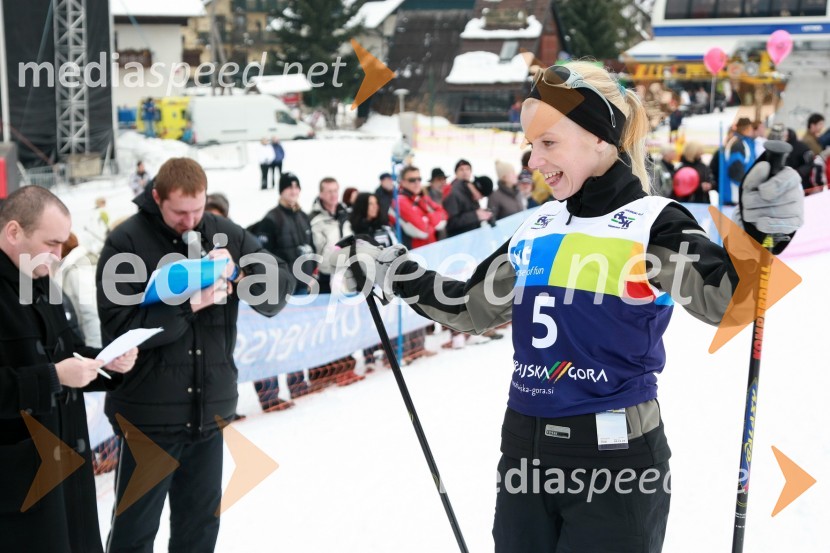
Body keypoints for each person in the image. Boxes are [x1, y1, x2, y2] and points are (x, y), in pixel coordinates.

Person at [330, 60, 804, 552]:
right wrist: (390, 269)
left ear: (600, 138)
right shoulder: (539, 225)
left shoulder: (652, 223)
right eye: (531, 147)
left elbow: (727, 305)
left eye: (548, 143)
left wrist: (760, 236)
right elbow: (471, 306)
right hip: (524, 456)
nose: (534, 161)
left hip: (614, 464)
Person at [96, 157, 294, 553]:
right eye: (179, 213)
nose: (190, 221)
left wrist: (240, 274)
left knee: (199, 530)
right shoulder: (126, 242)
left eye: (197, 210)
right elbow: (119, 328)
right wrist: (188, 306)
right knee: (134, 533)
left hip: (209, 410)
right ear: (156, 198)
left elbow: (279, 293)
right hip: (149, 415)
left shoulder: (224, 234)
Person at [0, 186, 137, 553]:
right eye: (52, 243)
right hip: (19, 486)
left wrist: (108, 362)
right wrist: (53, 378)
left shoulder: (41, 280)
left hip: (65, 468)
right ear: (14, 232)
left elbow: (66, 350)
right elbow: (52, 370)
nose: (60, 255)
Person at [249, 172, 317, 294]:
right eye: (289, 187)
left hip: (304, 284)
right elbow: (264, 255)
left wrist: (311, 272)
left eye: (297, 187)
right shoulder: (271, 218)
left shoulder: (303, 216)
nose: (294, 191)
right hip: (283, 287)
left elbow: (311, 247)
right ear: (281, 191)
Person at [309, 177, 353, 294]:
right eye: (329, 191)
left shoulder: (346, 216)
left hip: (347, 275)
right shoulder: (314, 220)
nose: (333, 195)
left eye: (335, 191)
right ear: (321, 194)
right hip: (324, 276)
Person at [390, 165, 448, 249]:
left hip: (432, 248)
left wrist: (427, 218)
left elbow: (444, 216)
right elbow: (423, 231)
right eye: (412, 180)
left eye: (419, 179)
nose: (417, 183)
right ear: (402, 182)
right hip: (415, 255)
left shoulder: (422, 197)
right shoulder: (399, 201)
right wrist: (432, 217)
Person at [724, 117, 757, 205]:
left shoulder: (743, 142)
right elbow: (736, 168)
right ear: (746, 128)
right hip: (735, 196)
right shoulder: (738, 144)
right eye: (751, 128)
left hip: (740, 194)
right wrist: (746, 186)